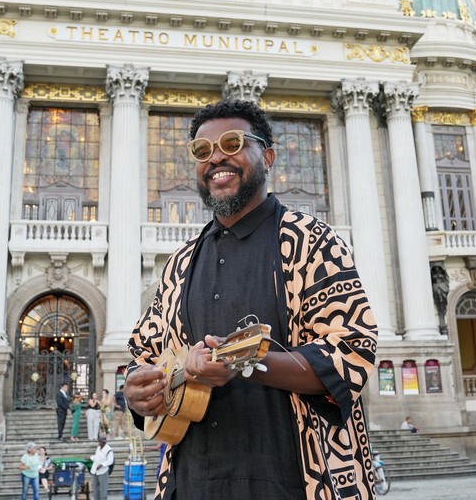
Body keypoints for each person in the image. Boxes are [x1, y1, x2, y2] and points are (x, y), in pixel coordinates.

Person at [124, 99, 378, 499]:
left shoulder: (314, 242)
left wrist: (247, 365)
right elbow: (143, 352)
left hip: (295, 484)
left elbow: (352, 352)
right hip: (190, 484)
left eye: (232, 143)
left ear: (268, 156)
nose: (216, 158)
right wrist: (135, 389)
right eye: (202, 151)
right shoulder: (180, 262)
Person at [90, 434, 115, 500]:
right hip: (95, 470)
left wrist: (102, 465)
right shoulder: (98, 448)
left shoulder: (109, 450)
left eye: (102, 442)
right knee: (95, 488)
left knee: (103, 489)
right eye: (100, 442)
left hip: (103, 471)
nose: (100, 443)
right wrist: (90, 458)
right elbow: (96, 457)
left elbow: (110, 461)